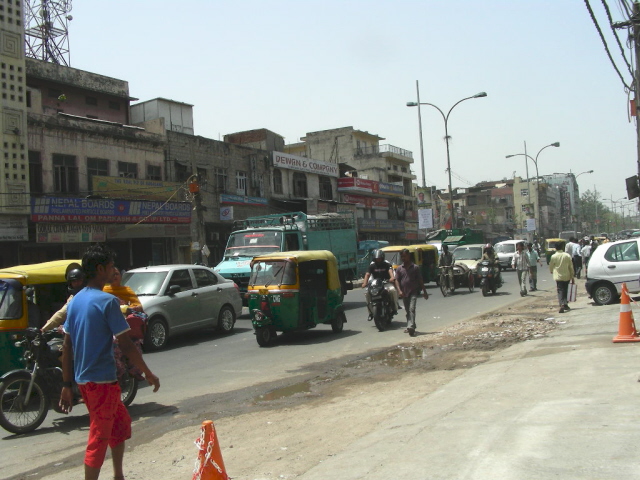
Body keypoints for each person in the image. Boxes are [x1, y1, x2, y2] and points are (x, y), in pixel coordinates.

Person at [59, 244, 160, 480]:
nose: (114, 270)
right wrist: (147, 373)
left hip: (88, 381)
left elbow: (67, 346)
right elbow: (126, 345)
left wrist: (66, 384)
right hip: (100, 381)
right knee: (99, 437)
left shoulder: (75, 301)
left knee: (120, 425)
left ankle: (118, 475)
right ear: (101, 269)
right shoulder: (107, 301)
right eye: (112, 266)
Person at [41, 263, 86, 332]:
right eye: (74, 281)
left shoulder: (86, 294)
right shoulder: (73, 297)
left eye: (79, 280)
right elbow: (60, 314)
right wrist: (44, 329)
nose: (77, 283)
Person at [395, 248, 429, 337]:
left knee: (412, 309)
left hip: (413, 292)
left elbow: (420, 280)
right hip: (404, 293)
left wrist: (424, 291)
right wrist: (399, 291)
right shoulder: (399, 269)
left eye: (405, 256)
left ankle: (410, 326)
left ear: (409, 256)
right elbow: (397, 281)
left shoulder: (415, 268)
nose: (403, 258)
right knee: (407, 311)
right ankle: (412, 325)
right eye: (402, 257)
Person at [362, 249, 400, 320]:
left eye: (379, 258)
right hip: (376, 285)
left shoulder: (387, 265)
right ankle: (370, 312)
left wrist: (392, 277)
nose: (378, 260)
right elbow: (367, 274)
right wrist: (365, 283)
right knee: (367, 293)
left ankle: (395, 308)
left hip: (386, 283)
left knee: (392, 290)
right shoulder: (372, 266)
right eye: (377, 258)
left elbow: (390, 271)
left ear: (382, 258)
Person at [549, 240, 575, 313]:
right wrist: (572, 276)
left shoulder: (553, 256)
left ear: (555, 248)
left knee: (560, 290)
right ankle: (565, 303)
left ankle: (562, 304)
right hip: (567, 276)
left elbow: (551, 266)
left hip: (558, 276)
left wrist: (551, 271)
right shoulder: (567, 255)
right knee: (565, 290)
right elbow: (571, 267)